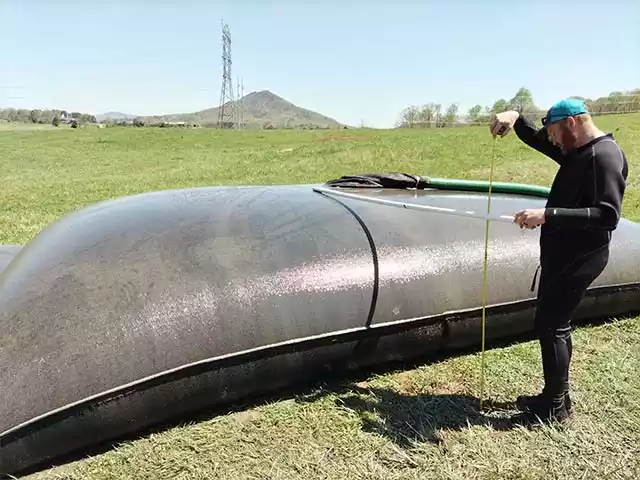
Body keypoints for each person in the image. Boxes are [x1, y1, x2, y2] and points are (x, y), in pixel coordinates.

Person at [489, 98, 629, 427]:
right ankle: (555, 397)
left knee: (552, 325)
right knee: (553, 324)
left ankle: (554, 408)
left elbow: (607, 215)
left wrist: (546, 215)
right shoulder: (577, 150)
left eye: (553, 130)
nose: (550, 138)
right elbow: (538, 140)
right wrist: (515, 117)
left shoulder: (603, 156)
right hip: (565, 251)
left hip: (581, 255)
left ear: (572, 123)